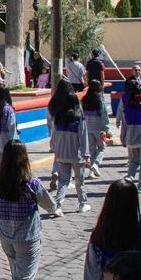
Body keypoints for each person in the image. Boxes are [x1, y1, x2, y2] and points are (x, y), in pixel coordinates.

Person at [0, 140, 58, 280]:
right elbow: (50, 205)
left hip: (6, 238)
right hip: (27, 239)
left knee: (17, 277)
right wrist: (54, 208)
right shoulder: (32, 183)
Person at [47, 79, 91, 211]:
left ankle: (58, 205)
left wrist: (54, 148)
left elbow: (53, 135)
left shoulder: (57, 118)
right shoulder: (79, 118)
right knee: (80, 180)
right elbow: (83, 137)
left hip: (61, 153)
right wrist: (86, 154)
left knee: (63, 181)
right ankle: (82, 203)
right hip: (76, 154)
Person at [82, 79, 110, 179]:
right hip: (99, 129)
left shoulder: (84, 99)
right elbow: (104, 114)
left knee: (92, 150)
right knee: (102, 147)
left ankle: (91, 172)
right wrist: (107, 128)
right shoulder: (100, 99)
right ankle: (96, 164)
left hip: (87, 128)